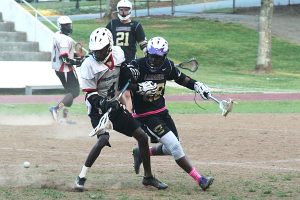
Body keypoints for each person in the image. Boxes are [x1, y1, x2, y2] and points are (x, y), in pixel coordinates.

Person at [74, 28, 167, 191]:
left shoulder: (117, 54)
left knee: (142, 137)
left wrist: (131, 74)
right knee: (103, 140)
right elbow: (90, 96)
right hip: (97, 109)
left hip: (114, 104)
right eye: (95, 50)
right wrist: (106, 104)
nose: (98, 53)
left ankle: (148, 177)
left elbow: (124, 77)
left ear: (109, 46)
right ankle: (81, 176)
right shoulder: (88, 65)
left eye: (101, 50)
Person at [122, 36, 214, 191]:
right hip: (145, 115)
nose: (153, 60)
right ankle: (200, 179)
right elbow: (122, 82)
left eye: (158, 58)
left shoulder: (167, 66)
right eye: (151, 56)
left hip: (162, 112)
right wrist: (138, 87)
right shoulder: (137, 65)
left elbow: (182, 79)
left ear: (164, 56)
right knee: (175, 147)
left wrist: (197, 86)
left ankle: (142, 152)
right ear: (147, 54)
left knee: (172, 147)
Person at [106, 0, 147, 112]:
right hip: (113, 63)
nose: (123, 12)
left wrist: (148, 55)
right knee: (113, 92)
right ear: (118, 10)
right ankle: (122, 113)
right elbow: (104, 40)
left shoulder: (136, 25)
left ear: (130, 10)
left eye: (126, 9)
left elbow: (143, 43)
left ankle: (130, 117)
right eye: (121, 9)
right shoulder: (112, 24)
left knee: (127, 92)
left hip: (129, 63)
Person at [49, 16, 82, 122]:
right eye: (65, 26)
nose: (68, 27)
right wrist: (77, 61)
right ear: (60, 26)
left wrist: (76, 55)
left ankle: (64, 118)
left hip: (59, 69)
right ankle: (56, 109)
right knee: (75, 92)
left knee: (70, 93)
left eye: (69, 25)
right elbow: (64, 59)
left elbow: (66, 53)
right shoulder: (64, 39)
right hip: (65, 69)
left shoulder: (57, 35)